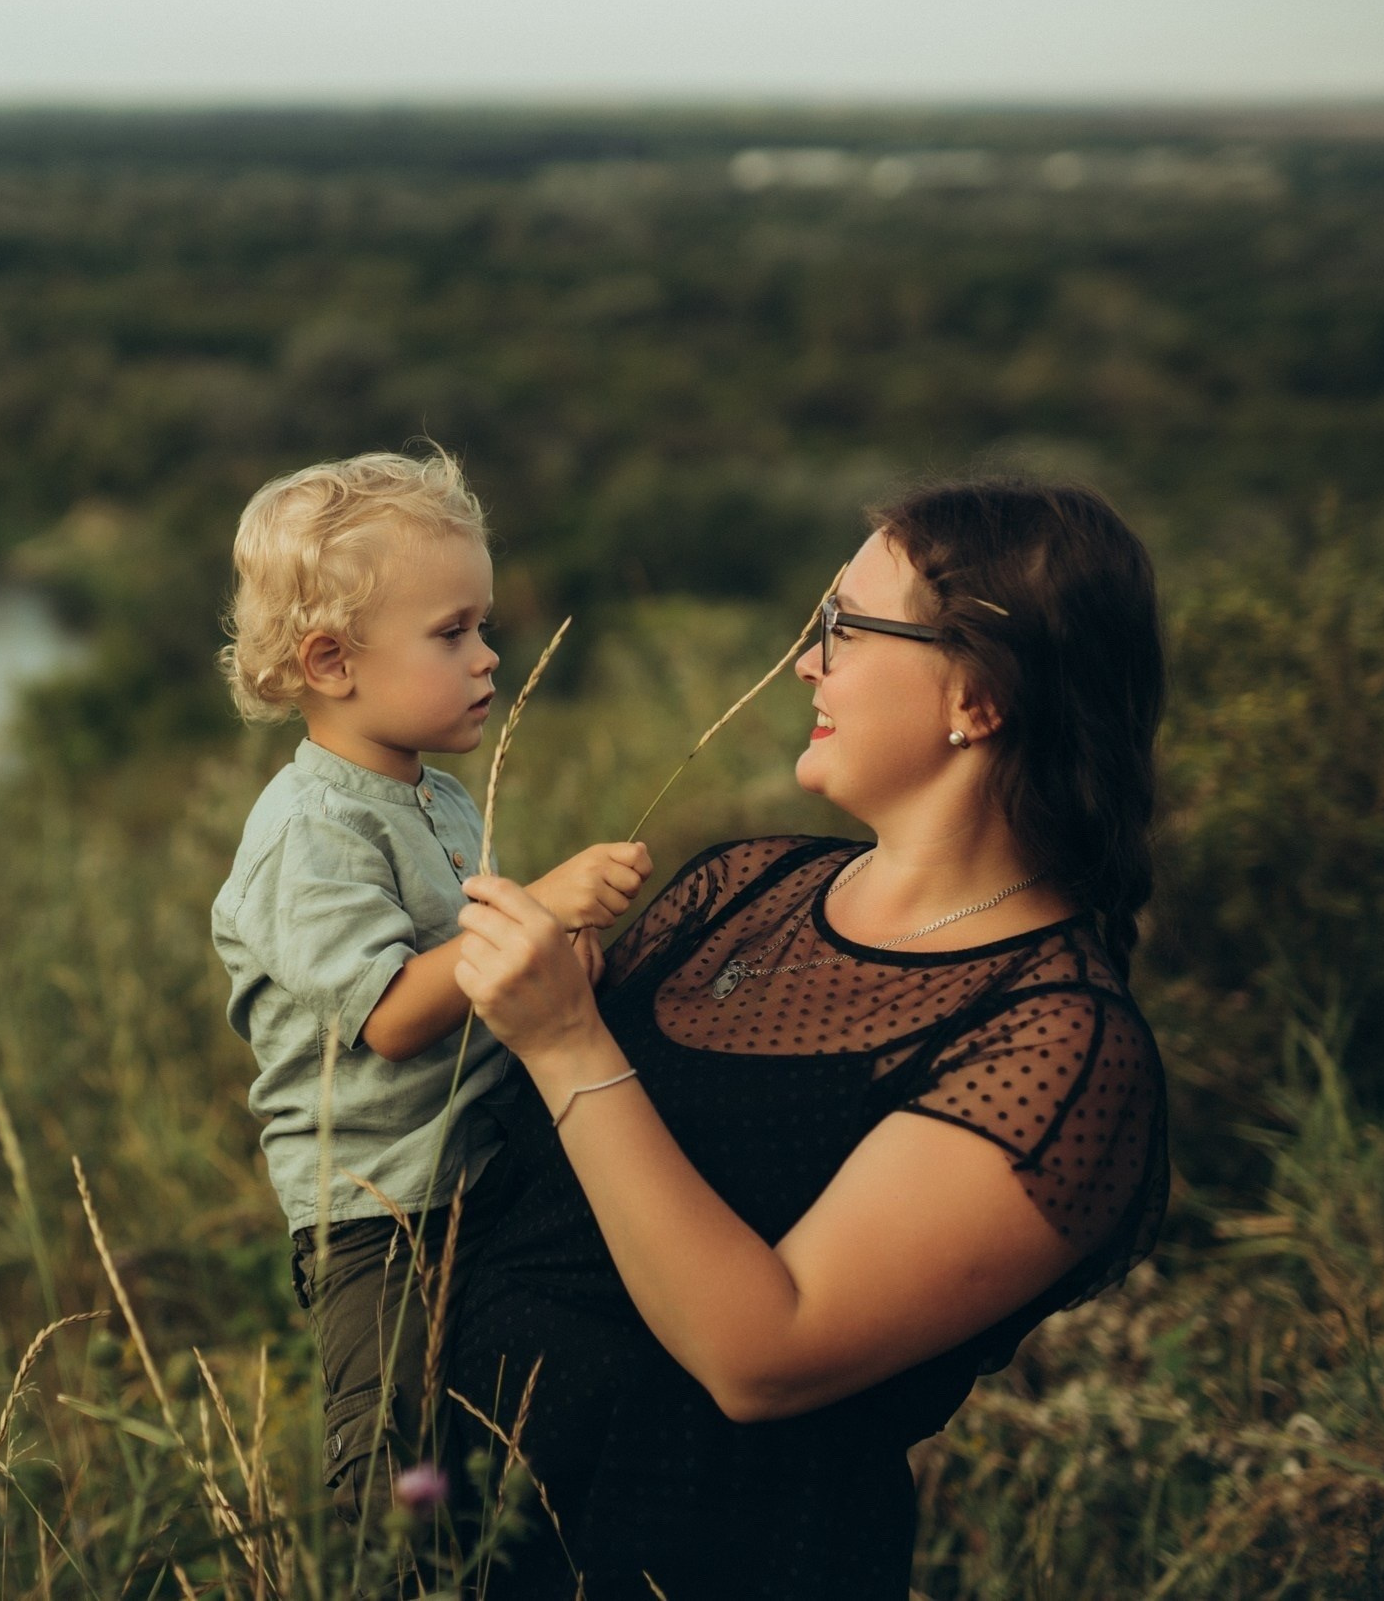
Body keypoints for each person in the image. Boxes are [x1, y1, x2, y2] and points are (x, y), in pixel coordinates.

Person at [442, 478, 1170, 1598]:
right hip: (458, 1525)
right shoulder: (743, 888)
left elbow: (763, 1357)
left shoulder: (1059, 1047)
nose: (806, 662)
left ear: (977, 695)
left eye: (845, 626)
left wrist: (569, 1044)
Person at [209, 449, 653, 1517]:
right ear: (331, 662)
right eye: (452, 633)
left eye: (482, 626)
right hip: (381, 1213)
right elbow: (396, 1016)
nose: (488, 656)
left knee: (515, 1418)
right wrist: (534, 907)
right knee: (399, 1468)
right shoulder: (309, 832)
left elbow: (470, 975)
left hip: (484, 1167)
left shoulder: (438, 798)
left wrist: (554, 962)